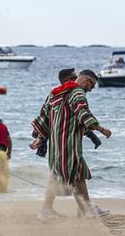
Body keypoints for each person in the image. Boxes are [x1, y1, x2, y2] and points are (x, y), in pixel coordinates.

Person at [30, 69, 113, 219]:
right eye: (92, 85)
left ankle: (72, 209)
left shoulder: (55, 93)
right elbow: (84, 114)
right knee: (75, 172)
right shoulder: (77, 93)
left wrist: (40, 138)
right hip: (68, 142)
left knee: (70, 173)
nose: (91, 89)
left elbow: (45, 117)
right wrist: (102, 130)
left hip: (56, 145)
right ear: (86, 80)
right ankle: (84, 209)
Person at [33, 68, 101, 155]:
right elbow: (46, 116)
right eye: (75, 78)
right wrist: (41, 140)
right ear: (68, 80)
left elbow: (79, 118)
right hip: (65, 143)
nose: (77, 80)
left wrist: (93, 137)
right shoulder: (62, 95)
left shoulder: (64, 94)